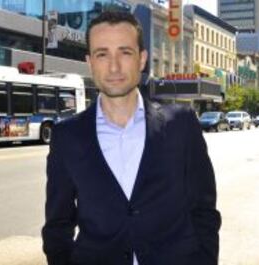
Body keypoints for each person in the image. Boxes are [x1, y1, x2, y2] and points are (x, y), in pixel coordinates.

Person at [42, 11, 221, 265]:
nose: (114, 67)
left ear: (142, 59)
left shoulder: (182, 125)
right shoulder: (66, 137)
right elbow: (57, 225)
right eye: (102, 54)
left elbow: (204, 211)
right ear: (90, 62)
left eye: (125, 52)